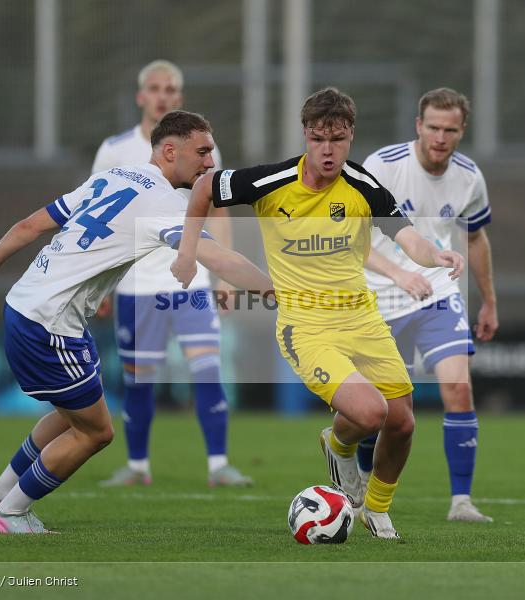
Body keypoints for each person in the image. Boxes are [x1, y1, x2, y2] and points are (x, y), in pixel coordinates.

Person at [0, 111, 271, 534]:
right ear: (170, 151)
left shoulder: (114, 177)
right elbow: (218, 258)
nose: (210, 163)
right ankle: (12, 512)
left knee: (69, 413)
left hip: (27, 306)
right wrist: (274, 288)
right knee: (96, 432)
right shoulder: (166, 205)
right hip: (49, 325)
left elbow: (29, 225)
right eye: (202, 152)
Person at [171, 88, 465, 539]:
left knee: (402, 421)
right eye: (318, 139)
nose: (328, 150)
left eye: (339, 139)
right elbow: (206, 187)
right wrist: (189, 253)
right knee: (369, 414)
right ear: (306, 136)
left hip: (362, 318)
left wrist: (436, 256)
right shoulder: (271, 182)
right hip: (306, 325)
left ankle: (376, 509)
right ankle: (338, 444)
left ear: (350, 137)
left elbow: (408, 237)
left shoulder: (363, 186)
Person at [92, 60, 251, 488]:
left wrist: (226, 274)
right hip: (137, 286)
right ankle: (138, 467)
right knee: (139, 381)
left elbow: (217, 209)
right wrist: (100, 283)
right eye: (155, 88)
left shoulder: (203, 149)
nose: (162, 95)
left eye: (170, 89)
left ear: (178, 98)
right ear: (140, 96)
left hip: (193, 282)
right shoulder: (114, 150)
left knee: (207, 371)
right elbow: (100, 218)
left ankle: (219, 466)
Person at [357, 88, 498, 522]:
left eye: (449, 130)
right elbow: (353, 237)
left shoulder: (469, 176)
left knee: (458, 389)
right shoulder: (383, 165)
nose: (440, 137)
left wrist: (489, 300)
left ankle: (461, 502)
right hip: (379, 294)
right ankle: (359, 486)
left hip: (438, 293)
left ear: (461, 131)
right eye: (432, 127)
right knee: (377, 411)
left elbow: (474, 237)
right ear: (418, 125)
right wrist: (398, 273)